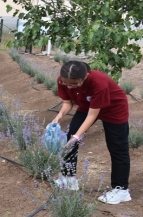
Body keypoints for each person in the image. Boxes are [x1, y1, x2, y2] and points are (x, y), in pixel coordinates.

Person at [52, 60, 130, 204]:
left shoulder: (98, 82)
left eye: (74, 84)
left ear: (86, 76)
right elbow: (67, 103)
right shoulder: (63, 81)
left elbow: (92, 115)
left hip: (114, 109)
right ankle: (69, 179)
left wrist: (77, 136)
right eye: (66, 83)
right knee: (69, 138)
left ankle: (121, 190)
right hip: (87, 107)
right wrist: (59, 116)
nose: (69, 86)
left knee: (118, 148)